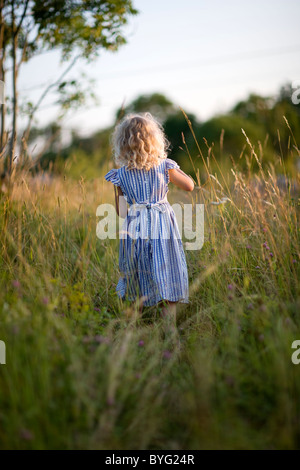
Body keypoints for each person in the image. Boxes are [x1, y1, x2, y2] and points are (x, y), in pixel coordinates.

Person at [104, 112, 194, 331]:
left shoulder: (120, 175)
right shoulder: (165, 166)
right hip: (162, 223)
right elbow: (189, 186)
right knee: (166, 267)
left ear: (122, 144)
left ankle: (134, 327)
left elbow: (122, 212)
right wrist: (176, 171)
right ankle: (168, 328)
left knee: (137, 269)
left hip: (135, 226)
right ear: (155, 140)